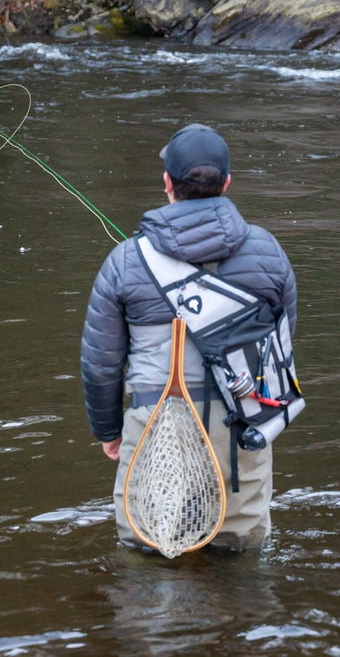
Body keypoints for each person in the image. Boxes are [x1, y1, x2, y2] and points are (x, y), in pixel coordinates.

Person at [80, 124, 297, 550]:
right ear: (228, 185)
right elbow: (283, 350)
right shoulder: (269, 253)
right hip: (242, 428)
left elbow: (100, 363)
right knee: (243, 561)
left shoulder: (125, 261)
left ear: (167, 184)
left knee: (146, 555)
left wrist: (108, 431)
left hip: (153, 427)